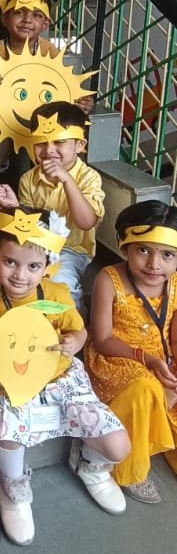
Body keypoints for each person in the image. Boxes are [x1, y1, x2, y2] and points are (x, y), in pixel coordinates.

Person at [0, 207, 130, 545]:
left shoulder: (58, 295)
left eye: (33, 266)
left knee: (118, 445)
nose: (20, 275)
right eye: (10, 262)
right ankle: (13, 487)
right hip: (9, 383)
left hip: (60, 379)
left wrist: (75, 342)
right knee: (6, 434)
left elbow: (79, 331)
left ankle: (90, 464)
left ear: (48, 266)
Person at [86, 201, 177, 503]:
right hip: (117, 360)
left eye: (167, 255)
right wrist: (147, 360)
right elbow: (102, 339)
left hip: (160, 359)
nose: (154, 264)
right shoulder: (108, 279)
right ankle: (129, 468)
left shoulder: (174, 283)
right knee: (147, 388)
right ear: (124, 246)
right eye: (143, 250)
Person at [0, 102, 103, 311]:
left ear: (79, 145)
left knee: (60, 282)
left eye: (59, 142)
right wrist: (15, 206)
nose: (49, 150)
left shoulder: (89, 178)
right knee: (8, 273)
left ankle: (75, 323)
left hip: (71, 250)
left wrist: (67, 180)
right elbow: (30, 224)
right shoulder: (28, 178)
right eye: (41, 142)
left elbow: (86, 223)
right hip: (36, 244)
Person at [0, 0, 57, 191]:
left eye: (37, 15)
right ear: (5, 19)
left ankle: (32, 190)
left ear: (45, 24)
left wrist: (79, 102)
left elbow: (61, 91)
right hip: (0, 121)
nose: (27, 20)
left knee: (40, 139)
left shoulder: (51, 53)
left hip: (37, 121)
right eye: (19, 12)